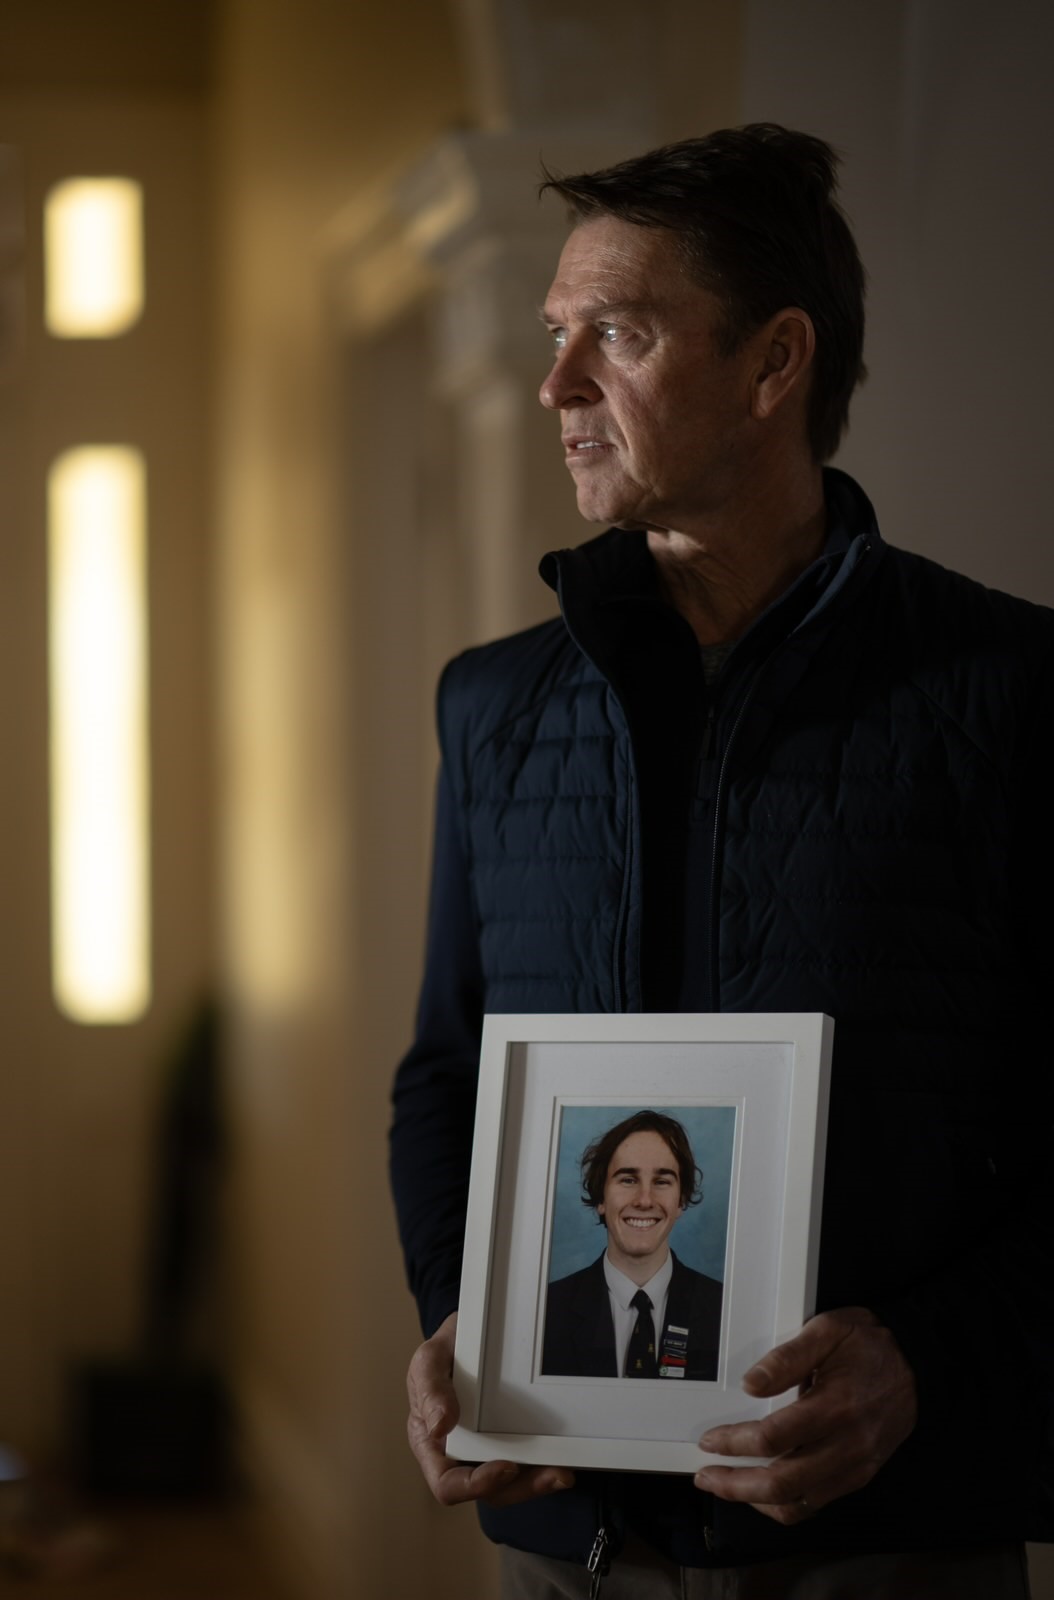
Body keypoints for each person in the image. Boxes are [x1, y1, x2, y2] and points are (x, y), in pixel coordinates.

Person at [390, 123, 1054, 1597]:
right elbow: (444, 1076)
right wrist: (465, 1322)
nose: (554, 387)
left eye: (613, 335)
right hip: (566, 1547)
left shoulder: (1010, 692)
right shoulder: (489, 709)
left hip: (885, 1542)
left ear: (773, 366)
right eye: (554, 336)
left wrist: (925, 1365)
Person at [542, 1110, 723, 1381]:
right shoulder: (546, 1311)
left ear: (681, 1200)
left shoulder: (725, 1310)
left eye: (662, 1181)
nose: (644, 1200)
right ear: (601, 1198)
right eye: (628, 1179)